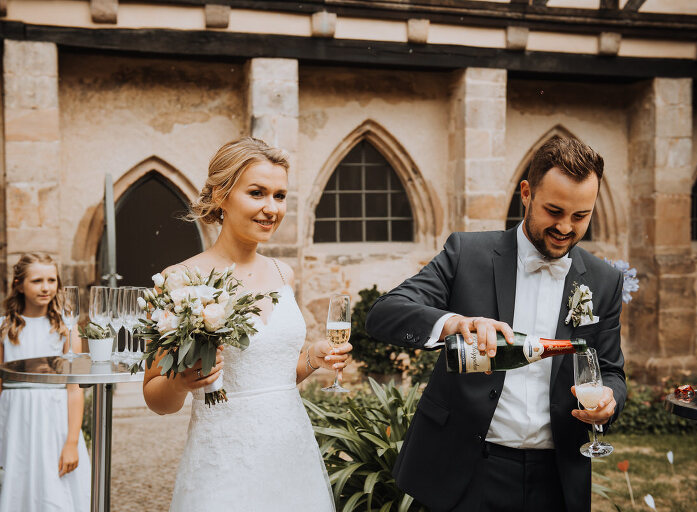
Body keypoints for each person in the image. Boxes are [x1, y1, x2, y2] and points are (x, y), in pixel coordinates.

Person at [365, 136, 627, 512]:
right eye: (554, 211)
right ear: (526, 193)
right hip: (466, 470)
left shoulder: (604, 280)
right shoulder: (467, 253)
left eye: (580, 216)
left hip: (556, 477)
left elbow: (612, 371)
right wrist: (454, 323)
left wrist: (608, 401)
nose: (565, 227)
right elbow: (384, 313)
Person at [142, 137, 352, 511]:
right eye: (257, 193)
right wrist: (181, 381)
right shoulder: (179, 280)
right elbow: (156, 399)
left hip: (290, 453)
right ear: (221, 195)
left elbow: (272, 379)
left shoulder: (284, 273)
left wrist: (313, 359)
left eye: (279, 196)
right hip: (222, 459)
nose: (271, 208)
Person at [0, 253, 91, 511]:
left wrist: (71, 442)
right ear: (19, 285)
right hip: (15, 425)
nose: (46, 287)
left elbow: (74, 389)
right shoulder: (2, 328)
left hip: (55, 424)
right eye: (37, 281)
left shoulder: (66, 328)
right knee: (15, 491)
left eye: (51, 280)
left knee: (54, 493)